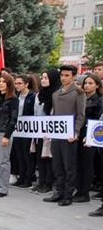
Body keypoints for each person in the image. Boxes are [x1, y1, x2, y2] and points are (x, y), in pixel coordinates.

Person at [44, 65, 86, 206]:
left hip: (69, 135)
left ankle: (68, 195)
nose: (64, 78)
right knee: (57, 165)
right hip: (57, 134)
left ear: (73, 76)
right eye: (62, 75)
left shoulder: (79, 93)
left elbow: (80, 115)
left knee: (69, 166)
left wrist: (76, 132)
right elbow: (54, 114)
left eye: (67, 75)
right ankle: (58, 192)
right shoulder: (55, 94)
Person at [32, 70, 60, 193]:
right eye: (42, 77)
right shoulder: (39, 95)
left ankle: (48, 183)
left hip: (50, 132)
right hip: (39, 131)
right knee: (40, 157)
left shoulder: (57, 94)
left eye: (46, 78)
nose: (43, 80)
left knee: (49, 157)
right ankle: (41, 181)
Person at [75, 72, 102, 202]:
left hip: (90, 136)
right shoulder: (81, 98)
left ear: (97, 85)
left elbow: (98, 120)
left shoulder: (99, 100)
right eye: (85, 83)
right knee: (78, 163)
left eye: (90, 83)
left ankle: (84, 192)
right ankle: (78, 189)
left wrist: (90, 135)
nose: (87, 86)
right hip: (78, 133)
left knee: (87, 164)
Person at [11, 74, 36, 188]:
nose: (17, 86)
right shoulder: (16, 96)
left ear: (26, 84)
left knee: (27, 155)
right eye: (16, 83)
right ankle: (21, 177)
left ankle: (28, 178)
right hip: (17, 129)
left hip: (28, 129)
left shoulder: (33, 96)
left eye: (20, 83)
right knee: (19, 154)